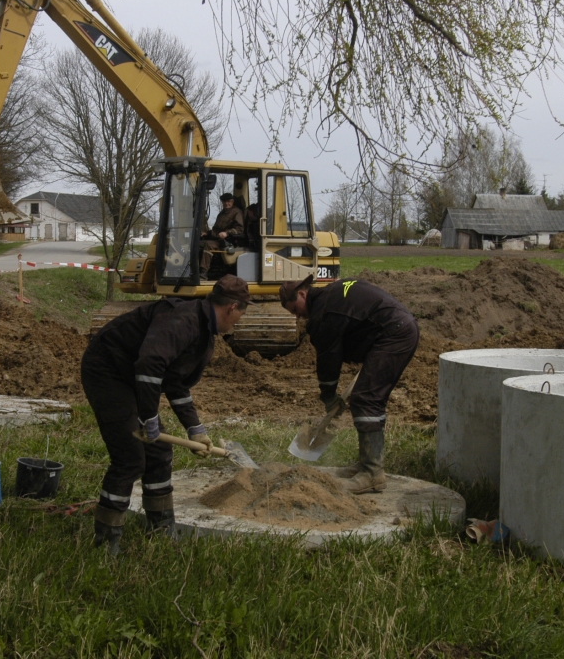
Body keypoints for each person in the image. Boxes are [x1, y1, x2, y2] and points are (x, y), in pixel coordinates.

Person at [81, 275, 254, 554]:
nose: (236, 325)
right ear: (232, 307)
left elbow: (175, 382)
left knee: (159, 452)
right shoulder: (183, 320)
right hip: (108, 371)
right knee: (130, 458)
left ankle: (161, 526)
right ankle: (106, 539)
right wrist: (148, 417)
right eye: (238, 318)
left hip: (133, 376)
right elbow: (150, 364)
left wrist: (194, 428)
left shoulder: (204, 332)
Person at [279, 275, 420, 493]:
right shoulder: (331, 294)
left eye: (294, 310)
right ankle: (366, 464)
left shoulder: (323, 314)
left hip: (394, 334)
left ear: (302, 294)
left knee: (366, 398)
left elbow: (328, 359)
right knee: (368, 397)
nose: (297, 317)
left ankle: (373, 473)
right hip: (392, 329)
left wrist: (328, 396)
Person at [200, 192, 245, 275]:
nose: (226, 203)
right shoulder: (222, 214)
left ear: (232, 202)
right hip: (217, 239)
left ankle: (203, 272)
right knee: (198, 244)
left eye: (228, 201)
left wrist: (227, 233)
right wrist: (206, 233)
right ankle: (194, 268)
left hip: (228, 241)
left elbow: (239, 229)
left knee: (208, 244)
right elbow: (216, 230)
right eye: (224, 202)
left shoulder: (236, 212)